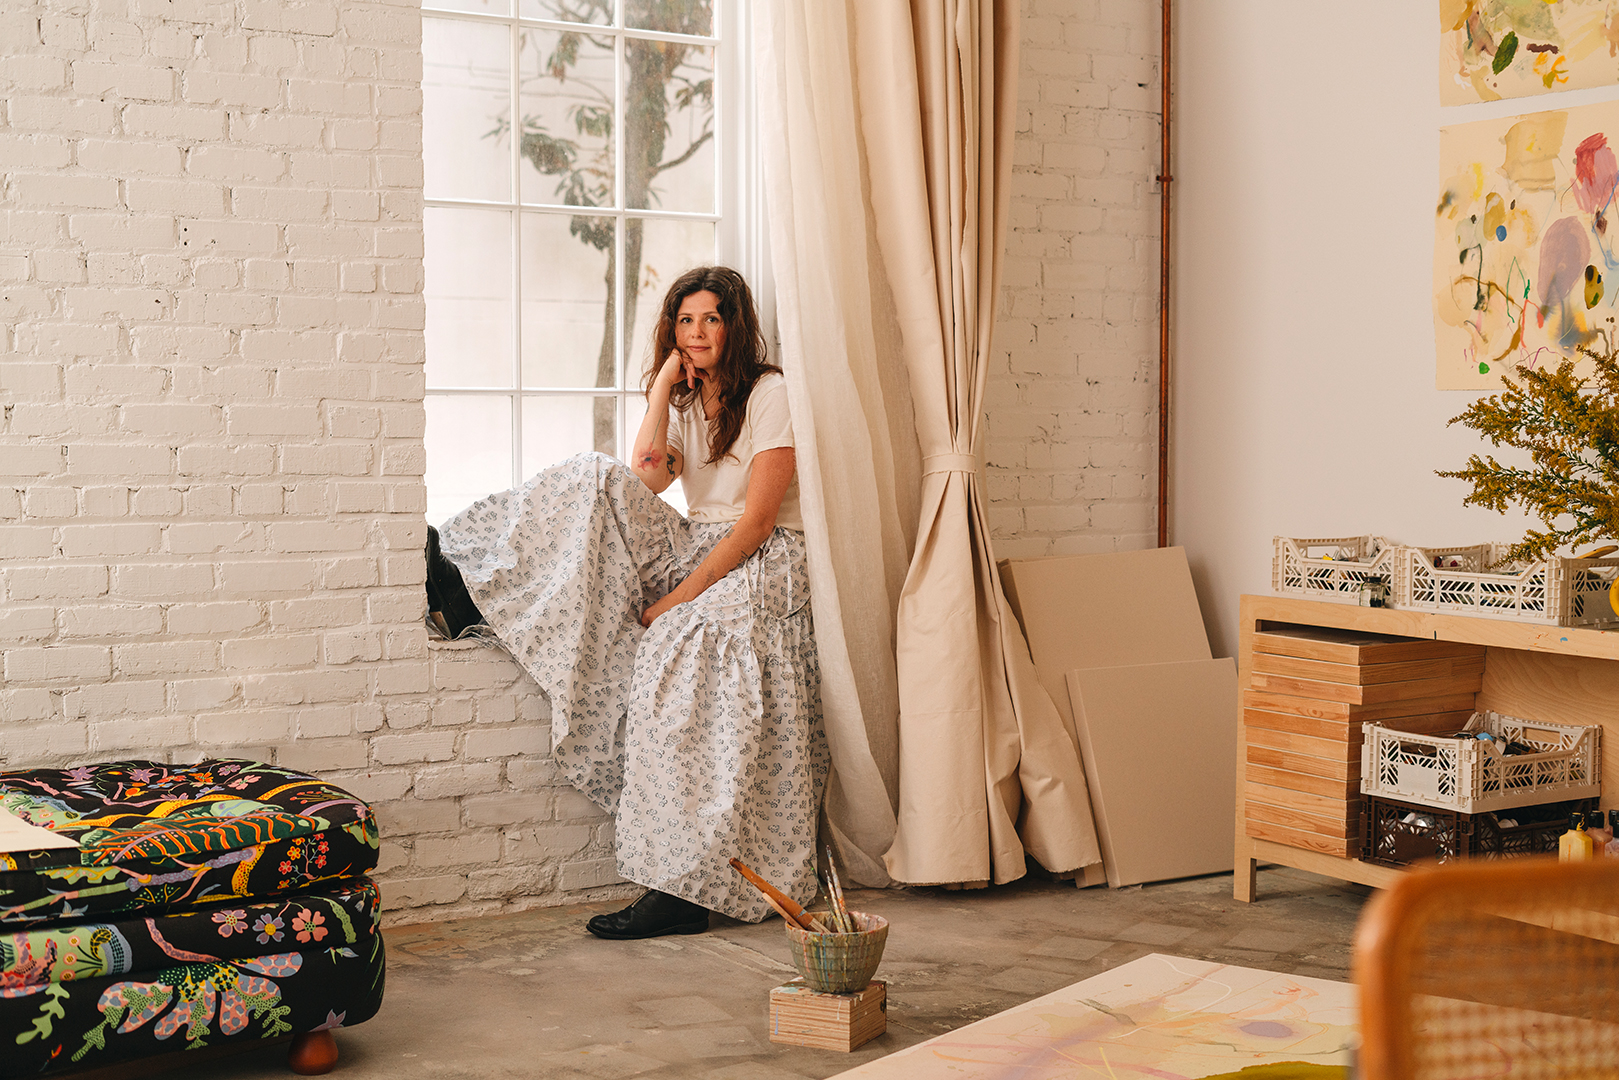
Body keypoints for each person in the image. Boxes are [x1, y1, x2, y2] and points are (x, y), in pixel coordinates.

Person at [427, 266, 827, 940]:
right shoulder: (685, 396)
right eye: (684, 321)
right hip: (700, 543)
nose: (696, 333)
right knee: (594, 476)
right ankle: (467, 586)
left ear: (735, 326)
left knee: (677, 644)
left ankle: (680, 887)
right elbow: (645, 475)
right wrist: (664, 387)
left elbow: (757, 524)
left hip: (766, 557)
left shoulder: (769, 392)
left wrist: (674, 600)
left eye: (710, 320)